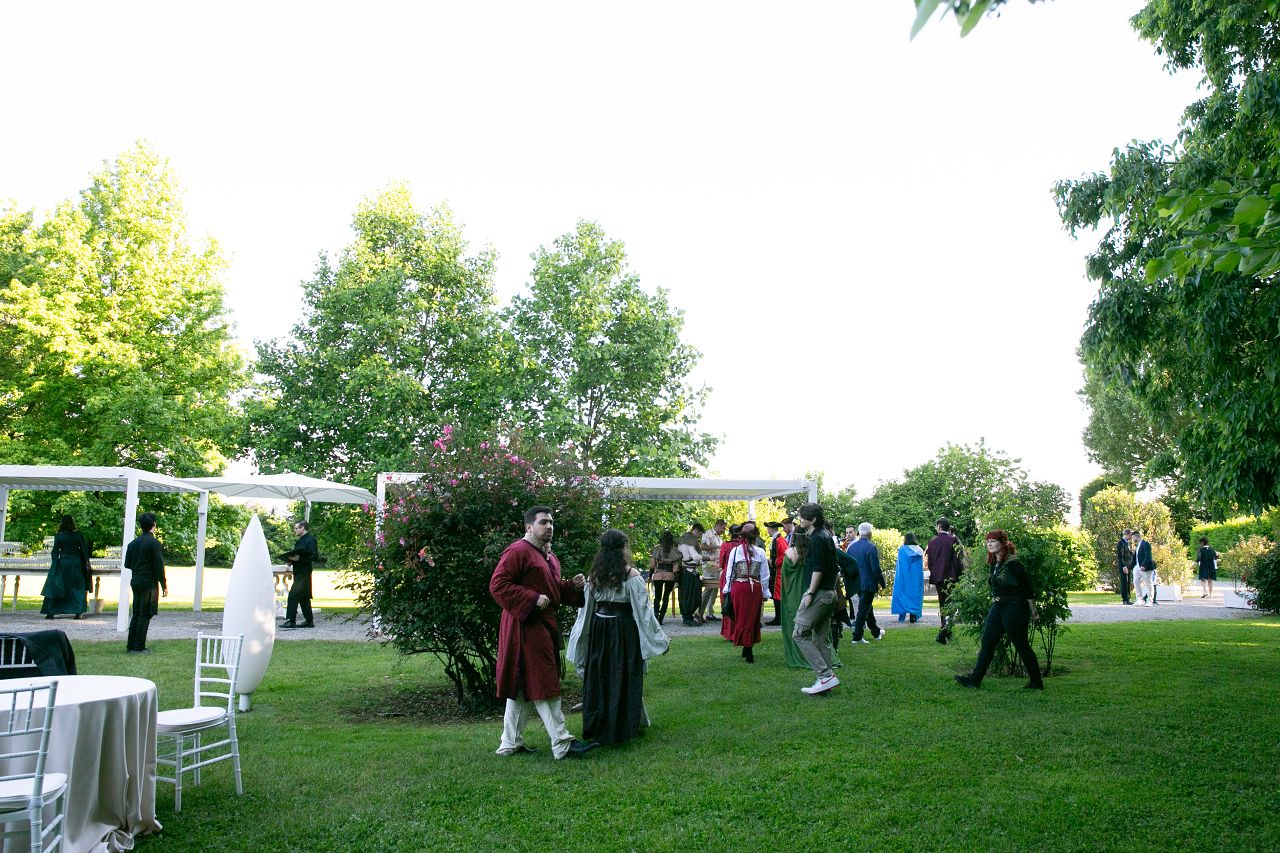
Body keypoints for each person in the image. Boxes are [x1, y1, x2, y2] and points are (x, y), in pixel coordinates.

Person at [489, 506, 595, 760]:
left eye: (551, 523)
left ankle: (509, 743)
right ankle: (562, 743)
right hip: (525, 628)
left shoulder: (549, 556)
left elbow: (553, 591)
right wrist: (531, 598)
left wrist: (571, 587)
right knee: (544, 681)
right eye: (543, 522)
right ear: (529, 527)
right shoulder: (518, 551)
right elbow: (498, 585)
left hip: (540, 627)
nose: (549, 527)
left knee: (524, 686)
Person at [567, 529, 670, 745]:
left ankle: (603, 724)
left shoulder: (595, 575)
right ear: (623, 548)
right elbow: (644, 612)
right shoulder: (630, 575)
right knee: (622, 674)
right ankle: (621, 725)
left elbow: (586, 610)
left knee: (601, 674)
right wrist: (660, 639)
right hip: (622, 630)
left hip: (600, 629)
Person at [955, 530, 1044, 690]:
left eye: (993, 541)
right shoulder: (994, 563)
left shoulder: (1013, 563)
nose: (989, 544)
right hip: (998, 607)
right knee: (987, 642)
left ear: (1003, 543)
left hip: (1015, 607)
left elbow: (1027, 589)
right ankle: (975, 680)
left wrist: (1033, 610)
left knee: (1021, 644)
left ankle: (1036, 682)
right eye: (988, 541)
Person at [791, 503, 840, 694]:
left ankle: (825, 676)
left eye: (802, 517)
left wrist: (810, 593)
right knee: (820, 639)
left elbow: (818, 568)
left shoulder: (819, 538)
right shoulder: (824, 535)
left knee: (799, 633)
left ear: (812, 520)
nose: (800, 519)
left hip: (820, 593)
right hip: (829, 594)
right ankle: (825, 682)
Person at [721, 521, 770, 662]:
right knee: (752, 619)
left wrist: (727, 589)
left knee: (741, 618)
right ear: (755, 537)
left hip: (739, 587)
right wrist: (765, 592)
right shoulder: (760, 552)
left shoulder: (735, 551)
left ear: (741, 536)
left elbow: (729, 573)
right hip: (754, 589)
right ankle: (748, 647)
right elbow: (765, 575)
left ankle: (746, 647)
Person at [124, 512, 168, 654]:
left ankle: (131, 645)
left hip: (136, 579)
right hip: (148, 581)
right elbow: (158, 566)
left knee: (137, 613)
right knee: (145, 613)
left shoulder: (133, 544)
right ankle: (139, 646)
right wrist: (164, 585)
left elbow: (127, 564)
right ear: (153, 525)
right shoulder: (154, 544)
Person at [41, 514, 91, 620]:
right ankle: (78, 612)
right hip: (76, 563)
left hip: (63, 563)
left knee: (58, 586)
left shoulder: (59, 536)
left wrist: (55, 564)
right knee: (77, 587)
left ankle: (51, 612)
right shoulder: (78, 535)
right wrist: (86, 562)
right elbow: (84, 549)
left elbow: (55, 551)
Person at [846, 523, 886, 644]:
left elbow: (849, 567)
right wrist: (882, 583)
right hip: (868, 583)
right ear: (870, 533)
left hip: (857, 583)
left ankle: (876, 632)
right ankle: (857, 637)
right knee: (863, 610)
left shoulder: (852, 548)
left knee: (867, 608)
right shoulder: (871, 547)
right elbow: (876, 569)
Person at [926, 518, 964, 644]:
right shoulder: (953, 540)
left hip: (938, 577)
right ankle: (944, 631)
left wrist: (935, 572)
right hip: (952, 577)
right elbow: (958, 559)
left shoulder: (932, 542)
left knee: (943, 604)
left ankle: (946, 631)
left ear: (939, 526)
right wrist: (960, 575)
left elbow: (930, 562)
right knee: (951, 605)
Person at [280, 520, 319, 629]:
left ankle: (291, 620)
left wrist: (299, 559)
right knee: (303, 596)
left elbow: (315, 556)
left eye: (296, 528)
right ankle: (309, 621)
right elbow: (297, 556)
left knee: (293, 595)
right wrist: (290, 560)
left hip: (304, 572)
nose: (295, 530)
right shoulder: (300, 541)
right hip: (298, 571)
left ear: (302, 528)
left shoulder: (310, 540)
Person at [649, 530, 681, 625]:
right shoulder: (675, 551)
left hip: (658, 575)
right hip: (670, 575)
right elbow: (676, 568)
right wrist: (677, 580)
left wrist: (650, 576)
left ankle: (656, 616)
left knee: (657, 597)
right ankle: (661, 618)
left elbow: (652, 564)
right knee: (666, 597)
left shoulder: (656, 549)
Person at [891, 532, 925, 623]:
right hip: (916, 578)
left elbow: (900, 564)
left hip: (904, 577)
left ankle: (902, 616)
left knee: (903, 594)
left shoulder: (902, 549)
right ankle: (913, 615)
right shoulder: (919, 550)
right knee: (915, 595)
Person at [697, 520, 725, 622]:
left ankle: (710, 614)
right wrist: (717, 547)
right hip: (709, 565)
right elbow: (702, 546)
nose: (724, 530)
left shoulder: (719, 537)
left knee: (715, 589)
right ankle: (698, 613)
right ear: (718, 525)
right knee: (708, 588)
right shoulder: (708, 534)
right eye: (723, 528)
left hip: (717, 566)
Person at [764, 520, 786, 625]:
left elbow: (784, 556)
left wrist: (773, 562)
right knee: (776, 594)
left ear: (772, 529)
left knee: (778, 594)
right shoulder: (776, 540)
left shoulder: (780, 540)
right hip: (776, 571)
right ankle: (778, 617)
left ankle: (779, 618)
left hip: (779, 572)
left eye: (768, 528)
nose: (767, 531)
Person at [1132, 529, 1157, 606]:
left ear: (1136, 536)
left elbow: (1148, 556)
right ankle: (1140, 599)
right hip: (1137, 567)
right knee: (1136, 582)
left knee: (1148, 583)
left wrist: (1144, 565)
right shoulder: (1138, 545)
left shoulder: (1145, 544)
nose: (1132, 539)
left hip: (1145, 567)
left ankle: (1150, 600)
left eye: (1133, 537)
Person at [1116, 528, 1135, 605]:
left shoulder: (1128, 543)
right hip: (1124, 566)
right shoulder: (1121, 543)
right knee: (1124, 582)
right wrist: (1124, 566)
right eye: (1131, 535)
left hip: (1129, 566)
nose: (1131, 537)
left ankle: (1128, 598)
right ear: (1127, 534)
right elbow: (1120, 556)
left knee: (1128, 582)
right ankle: (1125, 599)